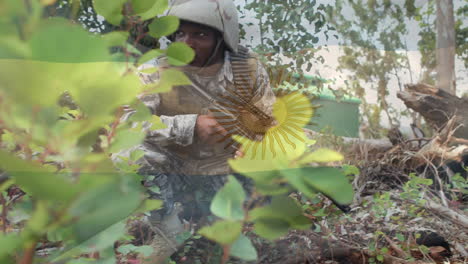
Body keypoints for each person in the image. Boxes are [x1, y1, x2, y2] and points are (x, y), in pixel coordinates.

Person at [122, 0, 276, 262]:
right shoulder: (156, 71)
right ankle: (169, 225)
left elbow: (268, 121)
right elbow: (126, 122)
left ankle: (231, 225)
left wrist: (253, 143)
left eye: (200, 34)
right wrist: (190, 126)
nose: (187, 43)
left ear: (222, 38)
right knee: (128, 152)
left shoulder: (246, 69)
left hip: (223, 171)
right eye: (180, 34)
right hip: (174, 169)